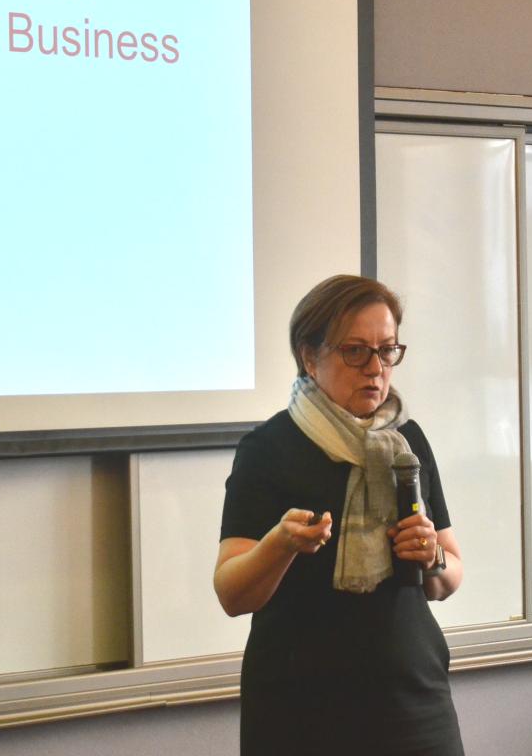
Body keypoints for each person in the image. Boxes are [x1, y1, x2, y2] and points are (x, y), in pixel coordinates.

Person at [214, 274, 465, 756]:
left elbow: (449, 575)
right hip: (302, 713)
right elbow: (231, 592)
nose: (375, 368)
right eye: (355, 352)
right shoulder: (269, 450)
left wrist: (432, 556)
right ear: (310, 357)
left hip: (414, 704)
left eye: (387, 350)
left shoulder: (407, 440)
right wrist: (280, 545)